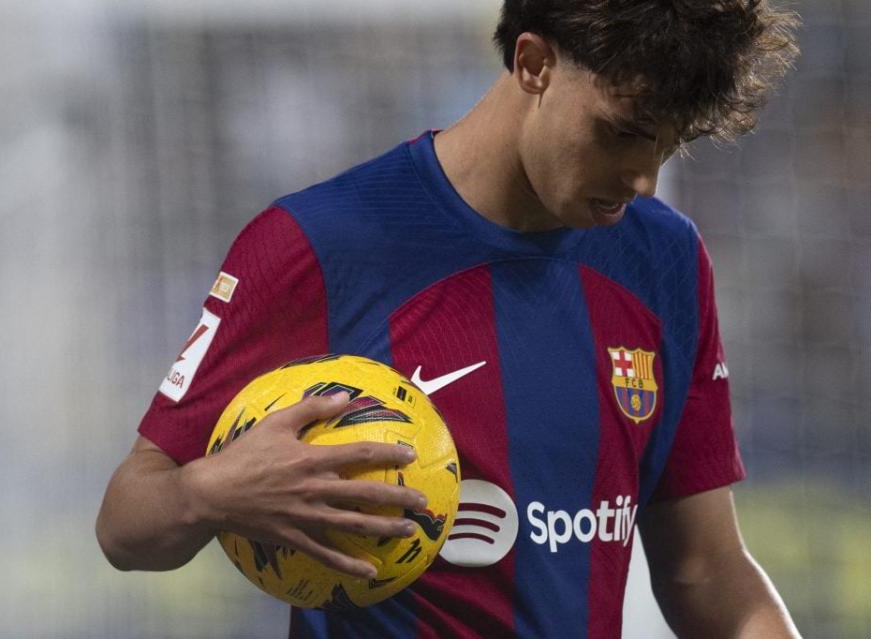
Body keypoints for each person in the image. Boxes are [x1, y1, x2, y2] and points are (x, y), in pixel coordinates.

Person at [96, 1, 802, 636]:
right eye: (620, 133)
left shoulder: (663, 256)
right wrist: (212, 491)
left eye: (667, 145)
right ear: (533, 63)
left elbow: (705, 572)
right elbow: (127, 524)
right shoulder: (316, 243)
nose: (642, 178)